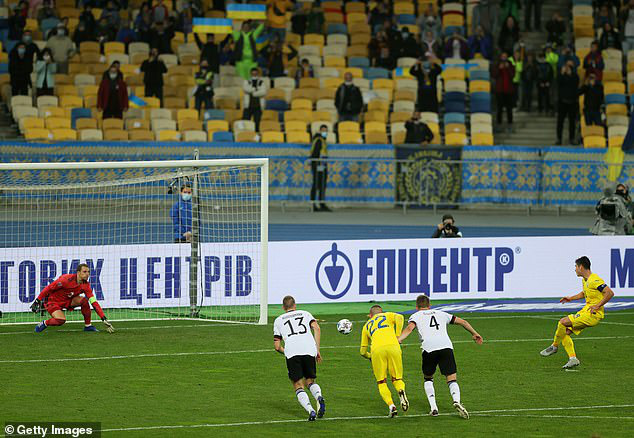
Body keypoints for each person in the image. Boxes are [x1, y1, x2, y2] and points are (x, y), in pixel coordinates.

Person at [398, 295, 483, 418]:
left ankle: (434, 408)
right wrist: (475, 333)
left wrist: (399, 339)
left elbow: (410, 328)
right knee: (451, 378)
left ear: (417, 307)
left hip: (429, 348)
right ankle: (457, 401)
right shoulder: (442, 313)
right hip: (446, 347)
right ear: (430, 305)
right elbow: (463, 322)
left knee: (428, 378)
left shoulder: (415, 316)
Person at [540, 256, 615, 369]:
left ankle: (554, 346)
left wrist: (598, 305)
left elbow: (609, 293)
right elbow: (584, 293)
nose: (574, 269)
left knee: (562, 322)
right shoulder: (585, 281)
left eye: (575, 266)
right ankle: (573, 359)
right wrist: (570, 298)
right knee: (564, 332)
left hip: (592, 314)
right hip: (586, 312)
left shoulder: (595, 280)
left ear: (581, 267)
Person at [273, 295, 325, 421]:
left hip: (292, 351)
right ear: (295, 305)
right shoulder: (305, 313)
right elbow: (317, 328)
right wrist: (316, 350)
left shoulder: (278, 320)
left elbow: (277, 346)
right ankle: (318, 396)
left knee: (297, 384)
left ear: (283, 307)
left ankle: (311, 410)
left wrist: (286, 352)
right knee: (310, 381)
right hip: (309, 349)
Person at [30, 264, 115, 334]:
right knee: (61, 320)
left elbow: (94, 302)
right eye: (84, 272)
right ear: (78, 273)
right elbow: (49, 288)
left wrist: (103, 318)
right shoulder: (65, 280)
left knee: (84, 301)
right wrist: (37, 300)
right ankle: (45, 323)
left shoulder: (86, 285)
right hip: (53, 302)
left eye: (88, 272)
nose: (87, 274)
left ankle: (88, 326)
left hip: (68, 301)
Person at [359, 305, 409, 417]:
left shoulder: (366, 326)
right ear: (381, 312)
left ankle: (392, 406)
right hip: (393, 346)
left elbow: (362, 352)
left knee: (382, 382)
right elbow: (400, 317)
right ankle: (401, 390)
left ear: (370, 315)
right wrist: (397, 336)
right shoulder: (387, 315)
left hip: (377, 350)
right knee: (397, 378)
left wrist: (370, 356)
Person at [556, 61, 579, 145]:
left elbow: (575, 84)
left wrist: (570, 75)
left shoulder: (575, 76)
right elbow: (558, 82)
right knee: (560, 122)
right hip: (562, 102)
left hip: (572, 102)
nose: (567, 68)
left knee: (572, 122)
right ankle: (559, 138)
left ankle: (572, 138)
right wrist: (562, 73)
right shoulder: (561, 76)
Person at [310, 124, 330, 212]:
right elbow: (315, 154)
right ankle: (313, 204)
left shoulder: (322, 140)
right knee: (317, 184)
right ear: (320, 131)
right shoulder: (319, 140)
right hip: (318, 165)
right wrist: (318, 164)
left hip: (322, 165)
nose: (324, 132)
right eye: (323, 130)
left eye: (326, 131)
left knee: (321, 185)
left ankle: (321, 203)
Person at [494, 52, 515, 132]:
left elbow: (513, 75)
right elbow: (494, 75)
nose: (504, 58)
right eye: (503, 56)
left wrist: (508, 68)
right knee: (499, 108)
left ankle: (510, 125)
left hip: (509, 91)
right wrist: (499, 68)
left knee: (509, 109)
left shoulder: (510, 65)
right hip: (500, 90)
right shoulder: (497, 65)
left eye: (505, 56)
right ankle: (499, 125)